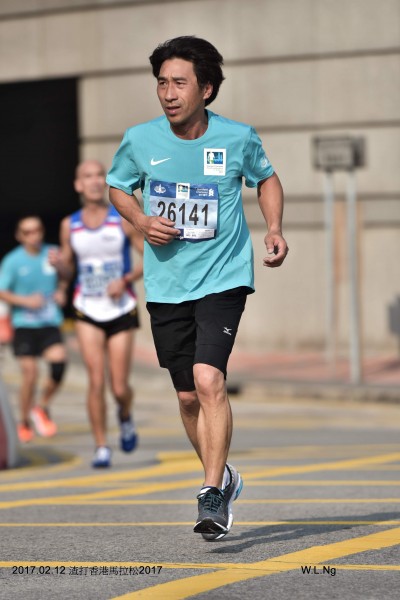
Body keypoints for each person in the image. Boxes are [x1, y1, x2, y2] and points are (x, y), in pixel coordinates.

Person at [106, 36, 289, 539]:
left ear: (206, 89)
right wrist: (142, 220)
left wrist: (274, 229)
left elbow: (267, 178)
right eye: (162, 83)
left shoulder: (237, 137)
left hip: (224, 276)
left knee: (209, 379)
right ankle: (222, 474)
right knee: (188, 396)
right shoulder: (140, 140)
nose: (168, 93)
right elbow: (118, 186)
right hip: (167, 283)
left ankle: (211, 492)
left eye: (179, 83)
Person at [53, 160, 143, 468]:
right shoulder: (70, 224)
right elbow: (68, 270)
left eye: (99, 175)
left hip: (121, 308)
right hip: (86, 307)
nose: (94, 181)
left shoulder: (121, 218)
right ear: (78, 185)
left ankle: (125, 414)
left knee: (119, 387)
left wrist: (125, 280)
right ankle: (101, 446)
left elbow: (150, 256)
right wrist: (59, 267)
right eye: (87, 176)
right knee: (95, 380)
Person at [0, 216, 67, 443]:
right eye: (27, 232)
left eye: (37, 230)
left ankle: (42, 406)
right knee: (30, 374)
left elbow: (67, 276)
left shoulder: (52, 253)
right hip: (24, 325)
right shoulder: (12, 261)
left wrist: (62, 289)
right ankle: (24, 421)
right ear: (19, 236)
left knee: (59, 364)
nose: (34, 236)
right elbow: (2, 291)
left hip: (49, 322)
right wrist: (25, 301)